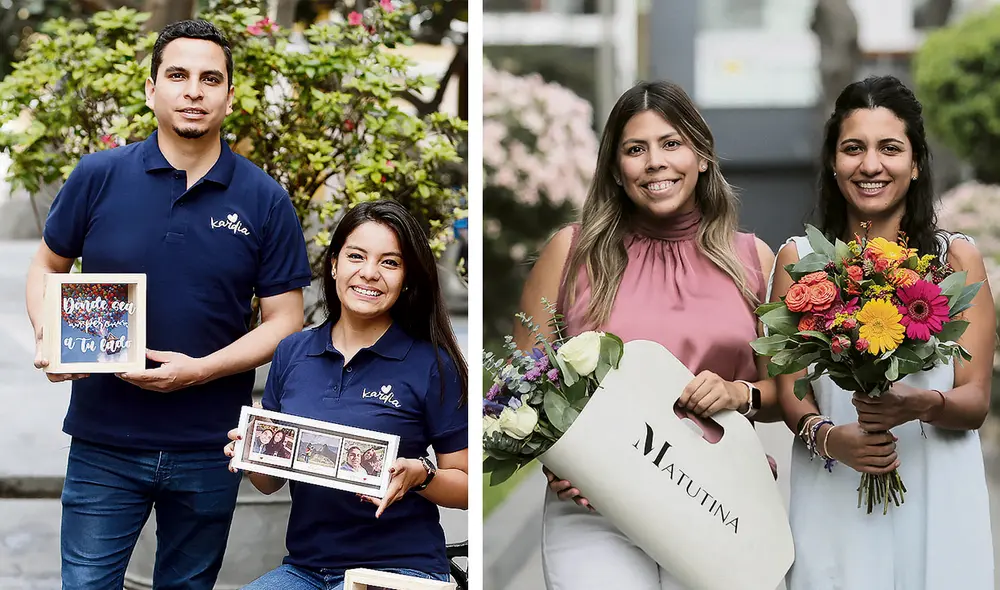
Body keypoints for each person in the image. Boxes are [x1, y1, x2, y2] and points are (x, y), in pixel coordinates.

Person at [24, 19, 311, 589]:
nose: (194, 90)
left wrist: (200, 371)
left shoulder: (265, 199)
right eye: (177, 75)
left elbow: (286, 320)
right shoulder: (98, 176)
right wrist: (48, 336)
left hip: (210, 445)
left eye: (210, 78)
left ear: (230, 95)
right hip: (104, 441)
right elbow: (46, 267)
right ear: (151, 89)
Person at [516, 80, 781, 589]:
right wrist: (553, 455)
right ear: (616, 169)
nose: (655, 162)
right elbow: (517, 390)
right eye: (636, 149)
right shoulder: (571, 254)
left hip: (720, 502)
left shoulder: (754, 259)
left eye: (671, 143)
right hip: (598, 506)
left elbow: (787, 396)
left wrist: (736, 393)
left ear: (702, 157)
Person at [770, 75, 995, 590]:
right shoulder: (800, 263)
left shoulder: (955, 261)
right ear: (833, 162)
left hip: (937, 493)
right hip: (836, 491)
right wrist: (830, 439)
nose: (870, 165)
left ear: (915, 163)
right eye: (854, 148)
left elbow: (976, 398)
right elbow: (790, 392)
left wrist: (919, 405)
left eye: (889, 148)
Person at [224, 199, 468, 589]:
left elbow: (467, 487)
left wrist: (420, 476)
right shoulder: (292, 352)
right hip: (304, 570)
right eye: (356, 256)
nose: (369, 273)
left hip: (399, 567)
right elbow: (269, 483)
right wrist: (254, 449)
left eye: (390, 262)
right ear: (335, 263)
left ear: (406, 278)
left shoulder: (432, 364)